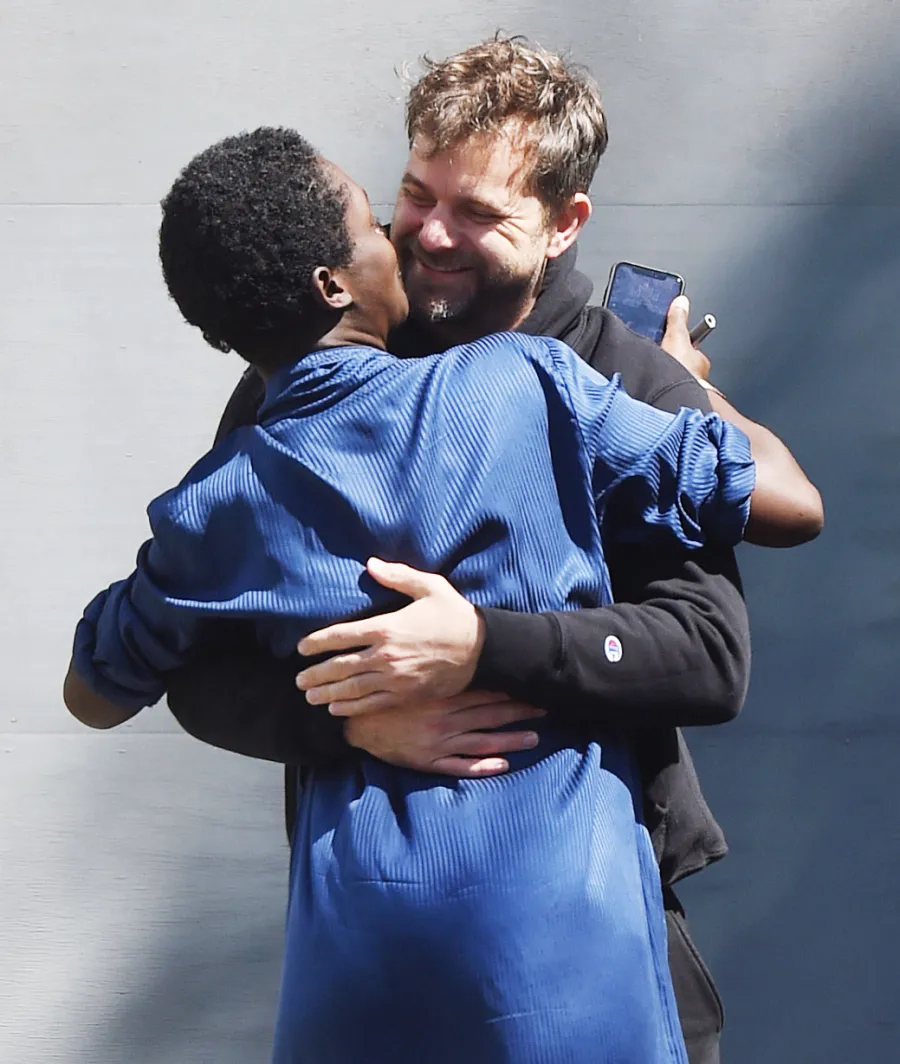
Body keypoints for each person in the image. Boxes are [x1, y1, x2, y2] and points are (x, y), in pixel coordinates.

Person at [159, 38, 822, 1064]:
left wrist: (481, 644)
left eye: (477, 213)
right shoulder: (312, 363)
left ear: (566, 224)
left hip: (598, 953)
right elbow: (196, 673)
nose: (428, 233)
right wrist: (360, 721)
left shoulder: (613, 375)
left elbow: (708, 650)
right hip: (372, 959)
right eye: (418, 192)